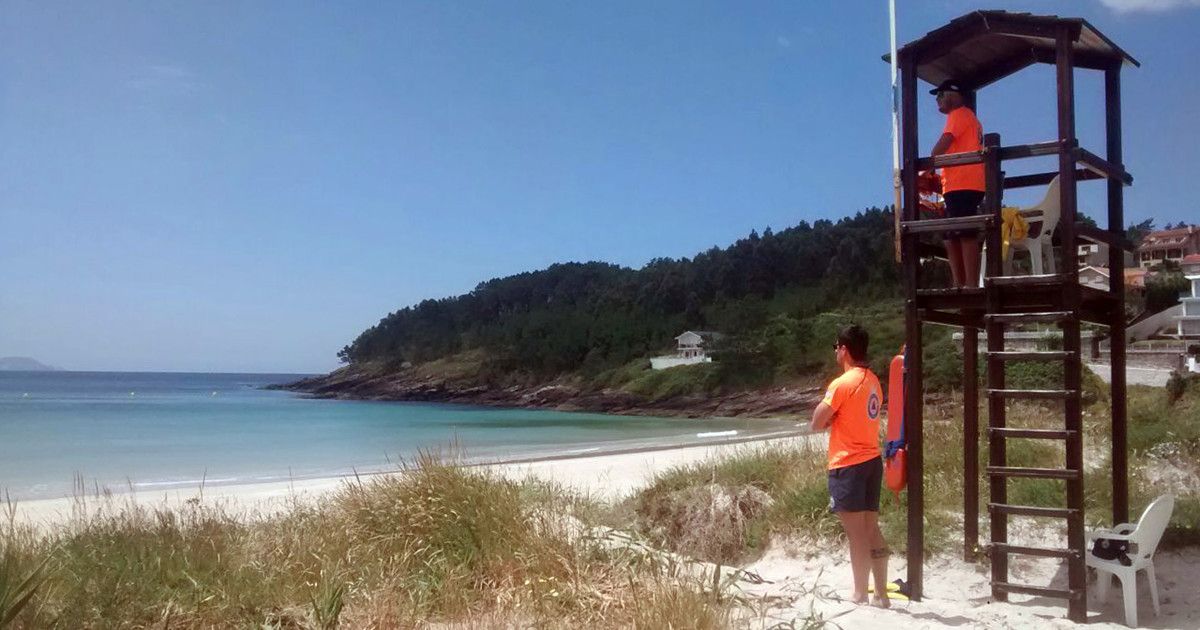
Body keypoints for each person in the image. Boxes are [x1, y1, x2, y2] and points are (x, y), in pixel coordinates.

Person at [810, 324, 888, 607]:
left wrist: (832, 419)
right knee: (871, 529)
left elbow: (817, 422)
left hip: (848, 464)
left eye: (836, 347)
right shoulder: (873, 381)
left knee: (856, 535)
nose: (835, 352)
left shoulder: (842, 384)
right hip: (871, 460)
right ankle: (881, 594)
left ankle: (859, 593)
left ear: (844, 349)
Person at [930, 79, 985, 288]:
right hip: (962, 184)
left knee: (964, 233)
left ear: (953, 95)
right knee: (951, 233)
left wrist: (930, 163)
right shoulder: (969, 117)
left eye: (940, 95)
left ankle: (968, 284)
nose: (938, 100)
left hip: (964, 184)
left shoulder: (959, 114)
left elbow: (939, 150)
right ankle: (961, 283)